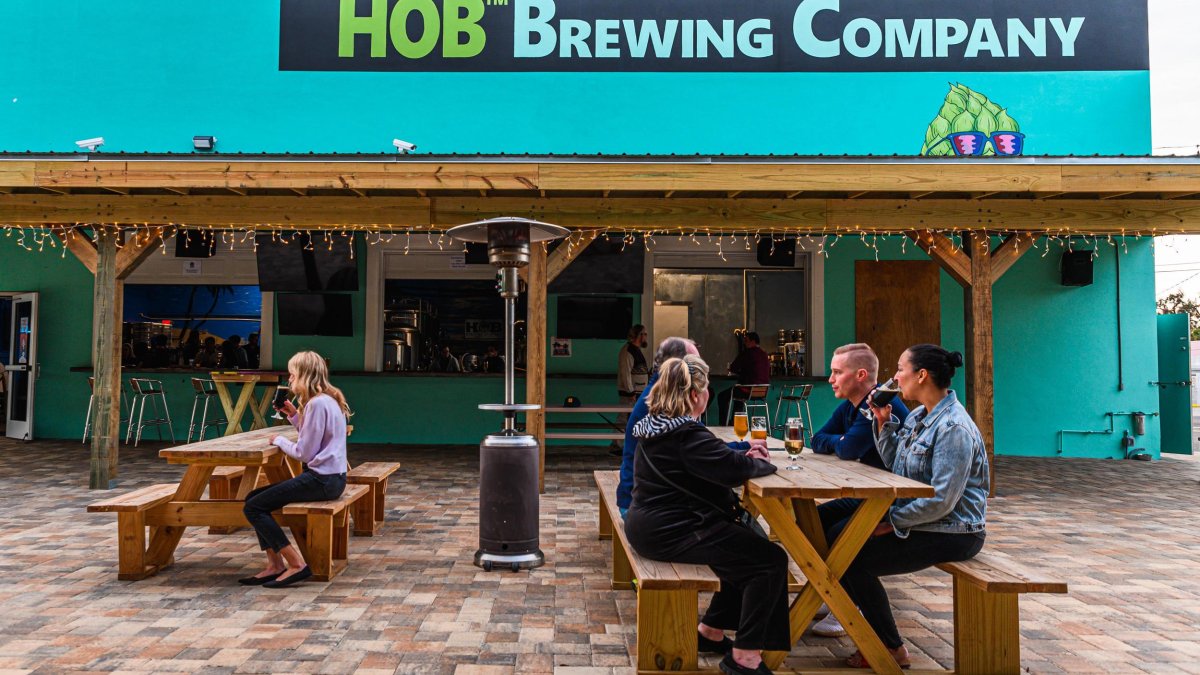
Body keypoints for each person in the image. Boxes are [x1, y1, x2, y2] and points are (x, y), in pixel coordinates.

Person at [826, 344, 989, 670]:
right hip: (922, 517)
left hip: (953, 529)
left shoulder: (953, 429)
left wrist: (893, 521)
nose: (894, 377)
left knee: (851, 554)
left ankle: (889, 648)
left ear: (922, 375)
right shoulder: (919, 415)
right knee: (829, 528)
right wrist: (883, 424)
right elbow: (898, 466)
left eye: (900, 369)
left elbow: (942, 500)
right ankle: (832, 604)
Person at [625, 355, 789, 675]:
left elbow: (712, 458)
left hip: (653, 525)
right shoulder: (686, 433)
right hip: (675, 529)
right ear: (694, 395)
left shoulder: (660, 427)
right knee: (769, 561)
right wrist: (762, 463)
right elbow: (730, 470)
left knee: (740, 546)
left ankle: (711, 632)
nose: (709, 394)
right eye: (708, 389)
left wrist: (742, 455)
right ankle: (745, 657)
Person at [808, 343, 911, 638]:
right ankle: (839, 594)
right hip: (869, 495)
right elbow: (819, 439)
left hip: (891, 500)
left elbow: (849, 448)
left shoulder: (877, 405)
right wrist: (839, 441)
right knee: (812, 522)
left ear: (861, 374)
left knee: (838, 533)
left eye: (837, 372)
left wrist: (840, 442)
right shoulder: (852, 405)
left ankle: (851, 606)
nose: (830, 379)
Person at [240, 351, 350, 588]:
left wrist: (279, 440)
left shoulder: (316, 404)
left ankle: (295, 564)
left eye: (292, 375)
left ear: (304, 375)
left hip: (322, 480)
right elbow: (318, 438)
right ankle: (274, 564)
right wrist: (294, 416)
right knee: (253, 497)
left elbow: (304, 453)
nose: (289, 380)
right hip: (333, 478)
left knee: (254, 506)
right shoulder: (328, 400)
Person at [616, 336, 751, 517]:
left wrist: (742, 448)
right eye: (693, 362)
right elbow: (705, 452)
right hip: (643, 508)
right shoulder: (665, 401)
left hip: (643, 501)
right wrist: (746, 449)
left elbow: (702, 446)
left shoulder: (664, 392)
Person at [717, 331, 770, 423]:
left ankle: (723, 423)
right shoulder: (764, 354)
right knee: (738, 397)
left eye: (746, 341)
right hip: (762, 391)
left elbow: (733, 367)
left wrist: (739, 372)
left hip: (748, 390)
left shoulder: (748, 353)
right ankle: (734, 422)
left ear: (753, 341)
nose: (744, 343)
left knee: (722, 396)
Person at [617, 324, 650, 407]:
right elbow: (625, 373)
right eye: (645, 334)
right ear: (640, 335)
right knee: (625, 417)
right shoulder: (628, 351)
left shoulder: (636, 350)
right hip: (631, 394)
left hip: (638, 391)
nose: (646, 337)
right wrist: (630, 392)